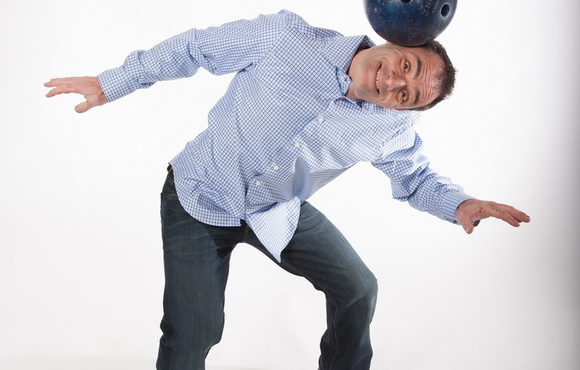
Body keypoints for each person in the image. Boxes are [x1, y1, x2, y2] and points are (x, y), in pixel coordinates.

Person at [44, 10, 530, 370]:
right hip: (198, 199)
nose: (393, 82)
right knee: (193, 334)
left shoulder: (389, 128)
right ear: (391, 41)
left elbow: (417, 179)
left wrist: (462, 203)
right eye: (404, 65)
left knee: (358, 288)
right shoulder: (285, 37)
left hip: (275, 210)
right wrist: (115, 82)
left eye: (407, 95)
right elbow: (195, 48)